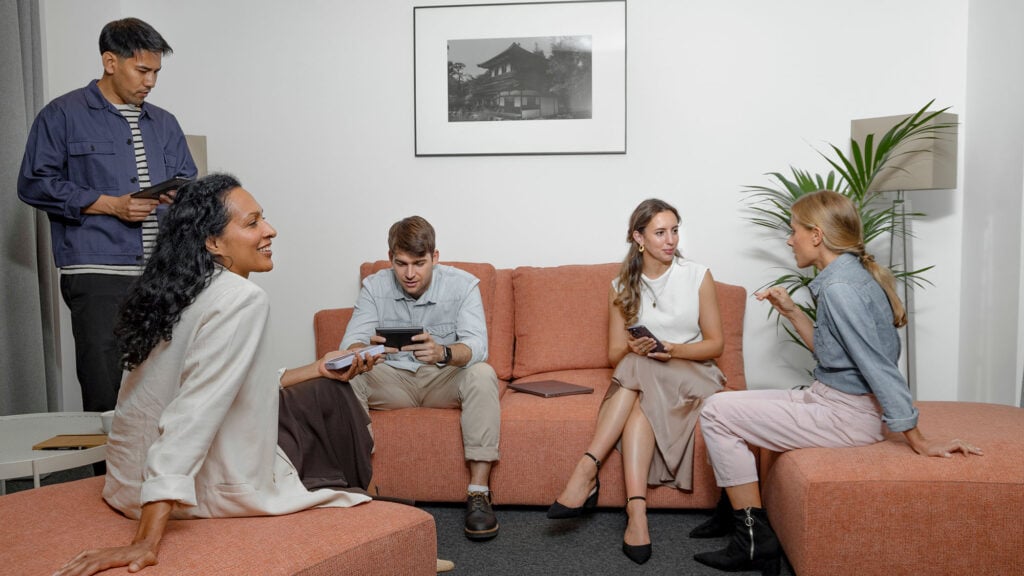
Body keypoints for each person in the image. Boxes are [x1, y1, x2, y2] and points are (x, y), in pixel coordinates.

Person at [51, 174, 391, 576]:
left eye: (263, 219)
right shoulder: (241, 298)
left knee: (323, 387)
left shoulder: (175, 288)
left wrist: (318, 368)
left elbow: (222, 380)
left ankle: (378, 519)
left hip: (126, 482)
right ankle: (375, 519)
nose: (270, 230)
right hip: (188, 490)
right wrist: (144, 540)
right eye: (252, 223)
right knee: (331, 401)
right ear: (212, 242)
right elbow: (192, 415)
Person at [692, 190, 983, 576]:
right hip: (830, 400)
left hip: (846, 415)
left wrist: (919, 439)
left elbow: (878, 367)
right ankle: (734, 514)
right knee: (728, 402)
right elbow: (835, 355)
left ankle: (751, 540)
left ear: (816, 235)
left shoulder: (840, 288)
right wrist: (792, 311)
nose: (788, 239)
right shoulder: (846, 277)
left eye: (793, 230)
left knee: (715, 411)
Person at [18, 17, 197, 415]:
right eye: (143, 70)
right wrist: (110, 203)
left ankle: (160, 476)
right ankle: (105, 479)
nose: (150, 82)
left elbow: (189, 180)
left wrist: (177, 196)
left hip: (162, 275)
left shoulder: (165, 124)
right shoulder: (61, 115)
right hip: (97, 274)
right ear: (110, 61)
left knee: (166, 387)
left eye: (156, 73)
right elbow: (33, 183)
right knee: (105, 387)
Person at [546, 198, 726, 564]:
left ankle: (587, 467)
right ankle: (637, 514)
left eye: (674, 230)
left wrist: (672, 349)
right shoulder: (621, 285)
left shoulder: (697, 275)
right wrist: (636, 347)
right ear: (638, 237)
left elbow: (715, 344)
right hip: (647, 375)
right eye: (660, 232)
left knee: (633, 368)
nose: (671, 240)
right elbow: (615, 354)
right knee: (634, 379)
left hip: (696, 374)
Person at [340, 216, 501, 541]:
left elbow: (477, 347)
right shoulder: (375, 286)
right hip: (392, 379)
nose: (410, 273)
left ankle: (479, 492)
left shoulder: (463, 284)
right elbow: (348, 345)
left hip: (442, 379)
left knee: (483, 374)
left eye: (419, 263)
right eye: (401, 264)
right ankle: (363, 488)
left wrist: (442, 352)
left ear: (435, 257)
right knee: (348, 375)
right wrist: (365, 349)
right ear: (391, 259)